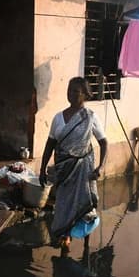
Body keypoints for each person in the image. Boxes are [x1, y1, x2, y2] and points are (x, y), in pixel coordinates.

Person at [39, 77, 107, 249]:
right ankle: (65, 236)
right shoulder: (58, 118)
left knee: (84, 204)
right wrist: (42, 168)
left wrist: (101, 166)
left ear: (85, 94)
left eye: (76, 91)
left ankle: (86, 244)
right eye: (69, 90)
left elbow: (104, 142)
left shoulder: (90, 117)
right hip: (64, 170)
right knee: (63, 205)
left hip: (83, 171)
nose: (71, 94)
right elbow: (50, 144)